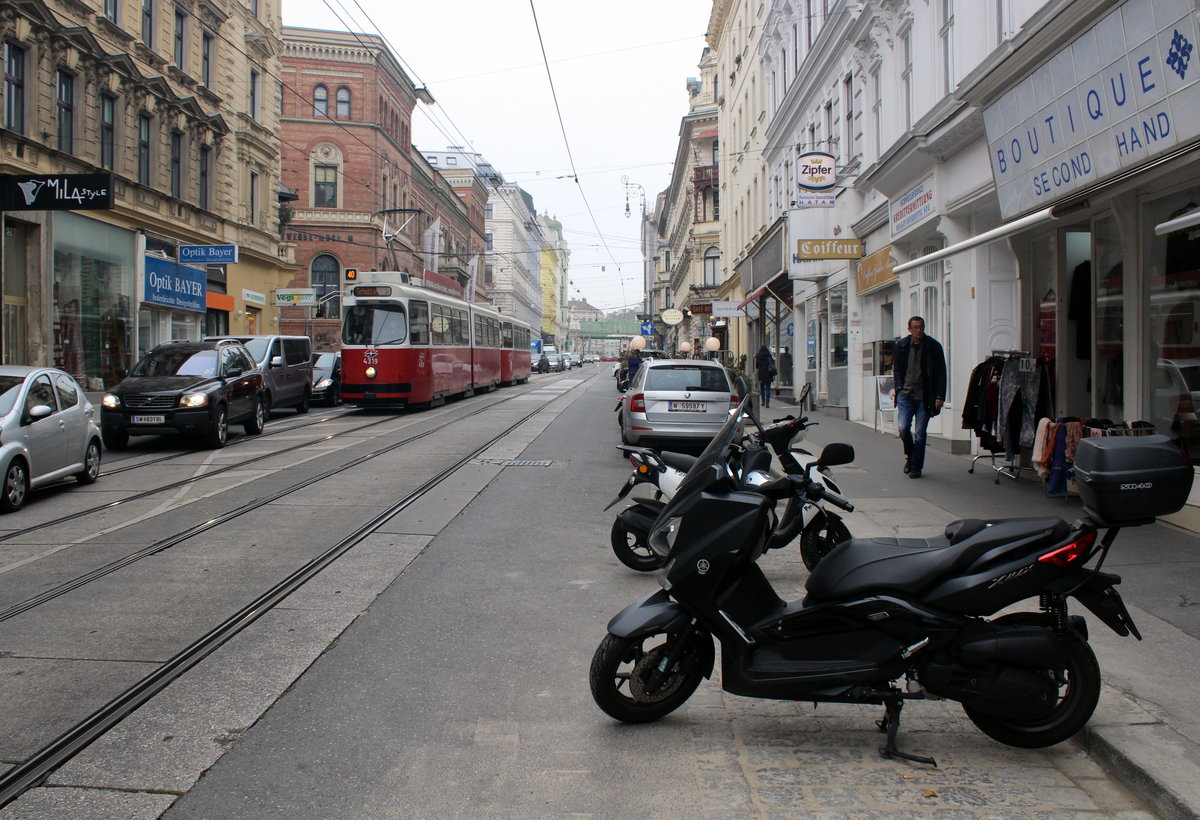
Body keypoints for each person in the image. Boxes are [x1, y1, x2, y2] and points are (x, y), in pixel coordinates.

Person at [891, 316, 947, 479]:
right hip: (905, 395)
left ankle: (916, 467)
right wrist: (899, 387)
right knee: (903, 428)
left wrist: (939, 395)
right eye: (915, 327)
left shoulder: (933, 346)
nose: (918, 330)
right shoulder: (901, 346)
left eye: (921, 327)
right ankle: (910, 455)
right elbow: (897, 369)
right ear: (909, 329)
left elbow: (941, 373)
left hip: (924, 397)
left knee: (921, 433)